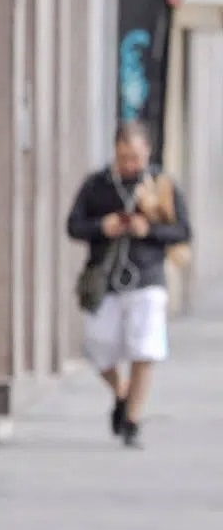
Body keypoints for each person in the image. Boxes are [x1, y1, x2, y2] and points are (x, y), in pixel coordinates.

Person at [66, 121, 191, 447]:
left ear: (147, 151)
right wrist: (101, 227)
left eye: (135, 157)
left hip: (147, 277)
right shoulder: (97, 185)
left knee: (144, 348)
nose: (130, 165)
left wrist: (146, 230)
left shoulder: (162, 185)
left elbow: (182, 231)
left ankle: (132, 420)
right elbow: (74, 225)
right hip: (105, 279)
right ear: (115, 153)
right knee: (98, 345)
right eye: (124, 157)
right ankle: (121, 392)